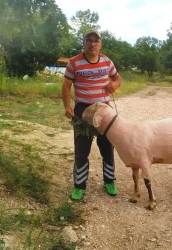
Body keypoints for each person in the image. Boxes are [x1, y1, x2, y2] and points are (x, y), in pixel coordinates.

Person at [62, 29, 122, 200]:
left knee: (107, 148)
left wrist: (114, 86)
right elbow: (66, 86)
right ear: (84, 43)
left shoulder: (107, 61)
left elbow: (117, 78)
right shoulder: (74, 63)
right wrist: (67, 106)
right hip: (82, 111)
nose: (93, 43)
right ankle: (79, 186)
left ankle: (109, 181)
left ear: (100, 44)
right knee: (82, 151)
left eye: (96, 41)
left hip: (104, 111)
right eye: (89, 40)